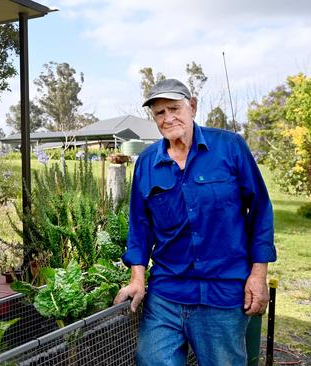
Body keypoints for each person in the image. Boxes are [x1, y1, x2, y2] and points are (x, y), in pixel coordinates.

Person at [114, 78, 276, 365]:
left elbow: (261, 210)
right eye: (159, 113)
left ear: (192, 106)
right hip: (168, 292)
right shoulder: (147, 163)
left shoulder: (230, 147)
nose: (168, 118)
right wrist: (137, 278)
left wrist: (259, 275)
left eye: (174, 108)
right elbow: (139, 228)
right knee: (151, 359)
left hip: (223, 291)